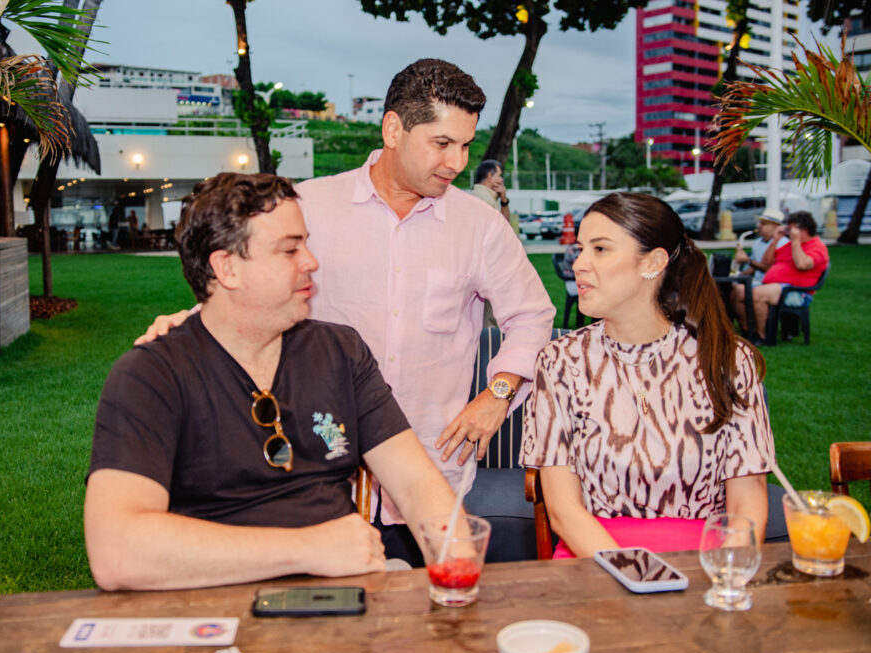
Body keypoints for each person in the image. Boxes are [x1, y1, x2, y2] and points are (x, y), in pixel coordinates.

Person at [136, 59, 555, 563]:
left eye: (465, 145)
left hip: (429, 468)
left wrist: (498, 394)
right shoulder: (311, 205)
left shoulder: (480, 226)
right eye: (442, 143)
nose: (457, 162)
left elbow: (531, 315)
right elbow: (255, 284)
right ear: (393, 129)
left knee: (427, 602)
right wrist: (191, 325)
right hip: (315, 466)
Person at [84, 173, 460, 591]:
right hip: (211, 607)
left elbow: (417, 485)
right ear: (227, 268)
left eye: (306, 244)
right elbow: (116, 552)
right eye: (289, 249)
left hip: (340, 603)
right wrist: (308, 549)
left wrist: (456, 565)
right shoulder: (151, 376)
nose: (311, 262)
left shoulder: (340, 352)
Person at [521, 192, 774, 558]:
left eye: (600, 249)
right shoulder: (560, 362)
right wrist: (635, 576)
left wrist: (728, 573)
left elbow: (747, 506)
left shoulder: (727, 360)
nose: (578, 264)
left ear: (653, 262)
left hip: (706, 563)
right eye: (580, 249)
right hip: (594, 560)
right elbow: (563, 512)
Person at [733, 210, 828, 342]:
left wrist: (795, 241)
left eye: (791, 229)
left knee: (757, 294)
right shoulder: (788, 245)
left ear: (803, 230)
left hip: (797, 292)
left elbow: (802, 264)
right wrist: (775, 240)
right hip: (773, 285)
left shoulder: (817, 247)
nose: (788, 232)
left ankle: (762, 336)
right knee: (737, 291)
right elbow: (766, 262)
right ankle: (748, 331)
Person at [732, 208, 787, 286]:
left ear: (776, 226)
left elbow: (770, 269)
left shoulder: (784, 243)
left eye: (763, 223)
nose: (759, 226)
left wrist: (748, 260)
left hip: (774, 284)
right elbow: (754, 267)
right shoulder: (757, 243)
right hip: (757, 282)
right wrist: (737, 276)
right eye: (759, 223)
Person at [470, 159, 519, 234]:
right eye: (499, 176)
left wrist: (503, 200)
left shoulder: (484, 195)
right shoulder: (483, 198)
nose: (501, 180)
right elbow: (503, 227)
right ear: (489, 176)